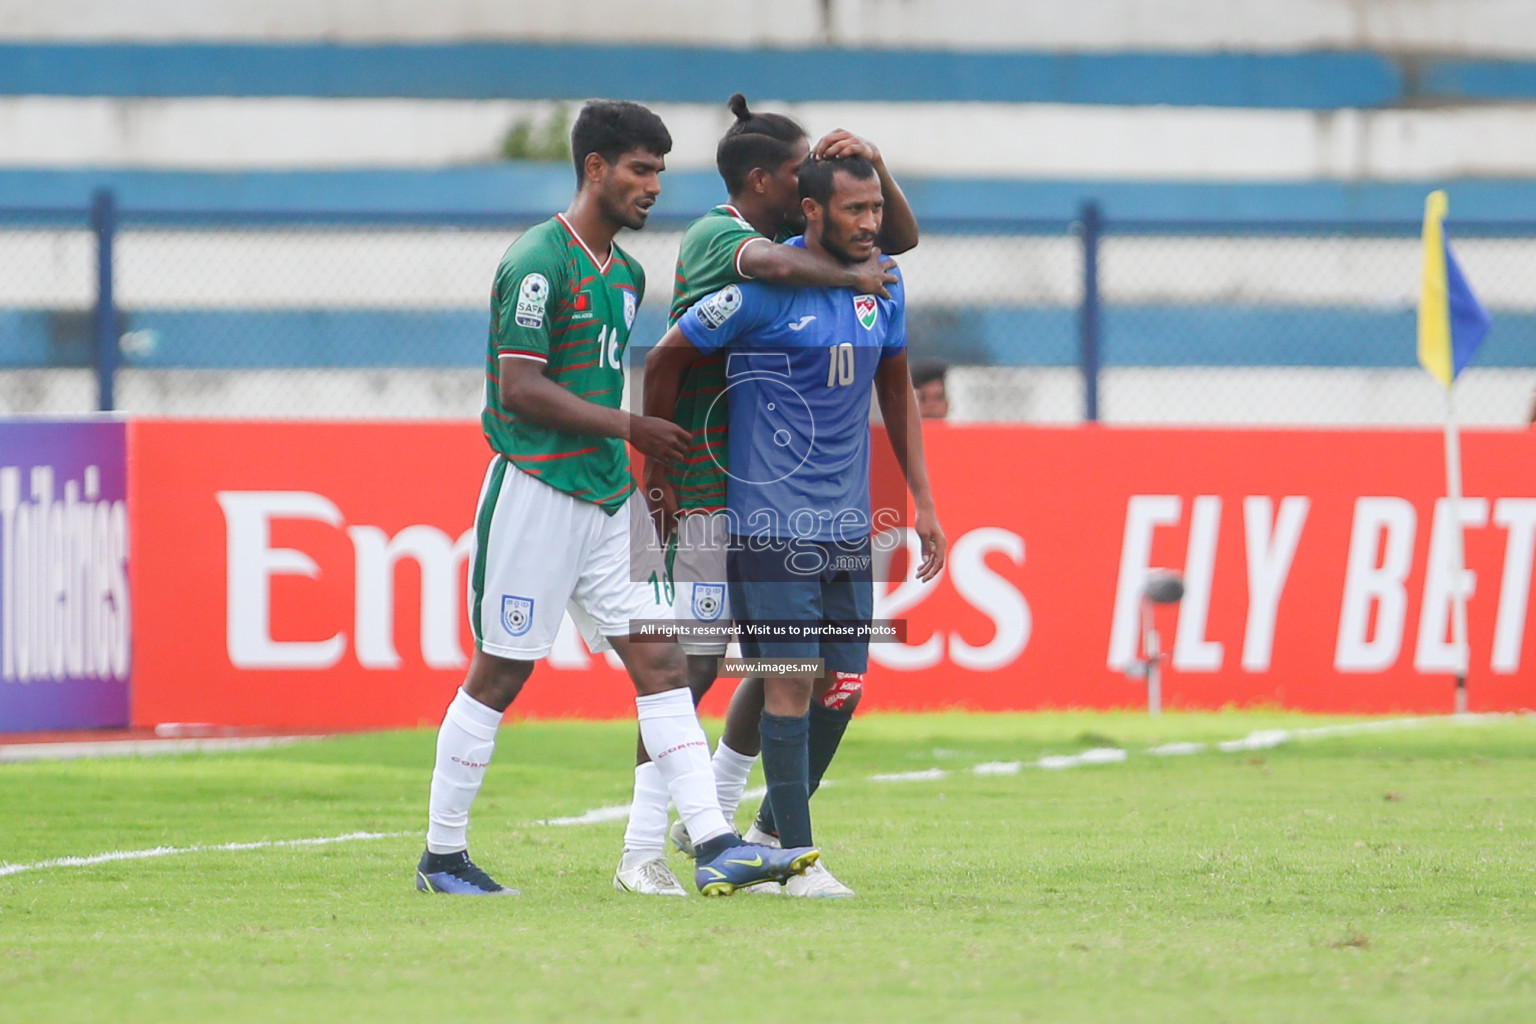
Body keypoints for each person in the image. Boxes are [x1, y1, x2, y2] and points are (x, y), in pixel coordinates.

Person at [415, 99, 818, 897]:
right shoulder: (540, 260)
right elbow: (520, 388)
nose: (655, 186)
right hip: (537, 487)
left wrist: (640, 462)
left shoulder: (627, 275)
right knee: (500, 672)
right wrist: (635, 426)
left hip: (608, 496)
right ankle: (443, 856)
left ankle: (712, 843)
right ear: (594, 168)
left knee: (665, 662)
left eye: (661, 171)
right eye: (641, 169)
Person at [613, 94, 920, 897]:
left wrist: (874, 191)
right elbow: (782, 275)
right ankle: (643, 850)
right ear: (765, 181)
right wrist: (654, 463)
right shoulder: (726, 237)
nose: (806, 182)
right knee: (690, 661)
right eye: (798, 173)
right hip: (689, 486)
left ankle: (714, 820)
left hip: (736, 482)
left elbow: (897, 245)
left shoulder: (796, 248)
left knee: (779, 661)